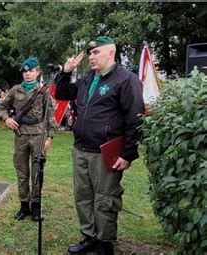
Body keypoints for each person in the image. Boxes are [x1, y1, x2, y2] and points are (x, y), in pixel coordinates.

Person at [54, 36, 144, 254]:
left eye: (96, 53)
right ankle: (90, 236)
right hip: (81, 149)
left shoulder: (125, 79)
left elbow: (135, 118)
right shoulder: (87, 79)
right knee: (83, 196)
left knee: (105, 199)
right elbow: (62, 93)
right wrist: (66, 72)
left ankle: (105, 243)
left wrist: (128, 153)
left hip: (106, 152)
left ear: (111, 53)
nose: (91, 57)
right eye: (90, 53)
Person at [0, 57, 56, 222]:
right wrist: (7, 119)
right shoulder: (15, 90)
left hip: (38, 135)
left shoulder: (44, 89)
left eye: (31, 71)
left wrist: (49, 137)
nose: (27, 74)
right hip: (20, 135)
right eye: (25, 71)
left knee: (37, 171)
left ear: (37, 72)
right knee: (22, 172)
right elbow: (1, 108)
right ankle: (24, 206)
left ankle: (35, 206)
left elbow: (50, 113)